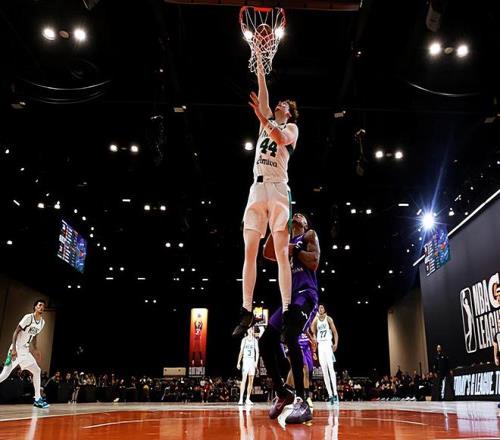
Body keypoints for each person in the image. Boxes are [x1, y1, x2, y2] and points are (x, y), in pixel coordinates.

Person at [232, 50, 299, 339]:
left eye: (285, 104)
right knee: (249, 251)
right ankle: (246, 310)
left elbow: (280, 137)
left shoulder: (292, 128)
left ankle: (288, 312)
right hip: (257, 188)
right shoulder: (265, 119)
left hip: (279, 188)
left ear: (290, 112)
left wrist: (263, 119)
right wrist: (260, 61)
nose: (279, 104)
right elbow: (263, 93)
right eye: (278, 103)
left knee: (282, 253)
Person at [260, 212, 320, 424]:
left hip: (306, 295)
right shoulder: (284, 240)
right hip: (288, 298)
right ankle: (282, 391)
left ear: (305, 224)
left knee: (292, 334)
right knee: (265, 341)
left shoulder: (309, 235)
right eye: (295, 214)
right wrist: (275, 224)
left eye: (301, 216)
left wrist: (295, 250)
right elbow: (267, 253)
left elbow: (314, 262)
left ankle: (303, 401)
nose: (297, 215)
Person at [0, 299, 49, 408]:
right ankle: (37, 399)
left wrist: (35, 349)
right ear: (35, 307)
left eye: (43, 306)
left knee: (37, 370)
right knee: (4, 374)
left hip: (26, 351)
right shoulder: (28, 317)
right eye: (40, 305)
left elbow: (35, 336)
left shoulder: (42, 322)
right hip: (17, 348)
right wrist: (13, 349)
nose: (42, 307)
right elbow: (16, 332)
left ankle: (37, 399)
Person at [311, 304, 339, 406]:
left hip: (328, 344)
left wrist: (335, 344)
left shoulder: (328, 319)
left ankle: (335, 393)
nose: (320, 309)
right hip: (321, 346)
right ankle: (330, 394)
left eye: (322, 307)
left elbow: (335, 332)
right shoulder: (316, 319)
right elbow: (312, 329)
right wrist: (314, 335)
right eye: (319, 308)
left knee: (331, 369)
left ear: (325, 309)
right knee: (324, 371)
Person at [236, 327, 259, 405]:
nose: (250, 330)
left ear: (253, 331)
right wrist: (238, 362)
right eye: (249, 329)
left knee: (251, 381)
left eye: (251, 329)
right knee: (244, 380)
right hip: (245, 361)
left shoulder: (255, 341)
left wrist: (256, 362)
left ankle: (248, 399)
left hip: (252, 361)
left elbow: (257, 352)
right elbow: (241, 351)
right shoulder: (244, 340)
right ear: (247, 330)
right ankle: (241, 398)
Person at [493, 318, 500, 408]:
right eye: (498, 322)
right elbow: (495, 346)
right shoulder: (497, 334)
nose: (499, 324)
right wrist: (495, 357)